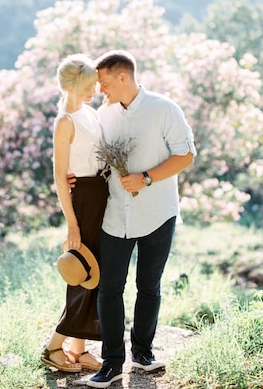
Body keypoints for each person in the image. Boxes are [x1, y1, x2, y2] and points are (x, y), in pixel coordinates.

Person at [87, 50, 196, 388]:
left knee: (148, 286)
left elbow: (187, 155)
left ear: (123, 77)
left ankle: (143, 354)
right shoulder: (103, 115)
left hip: (158, 213)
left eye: (104, 83)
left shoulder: (165, 109)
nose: (101, 90)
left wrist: (146, 177)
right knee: (109, 289)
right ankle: (112, 363)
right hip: (115, 216)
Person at [41, 54, 109, 373]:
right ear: (73, 85)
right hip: (83, 201)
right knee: (83, 273)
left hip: (102, 194)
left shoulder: (90, 113)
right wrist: (72, 223)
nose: (94, 90)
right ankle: (54, 346)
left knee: (96, 273)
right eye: (89, 86)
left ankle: (79, 350)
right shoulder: (64, 122)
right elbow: (59, 176)